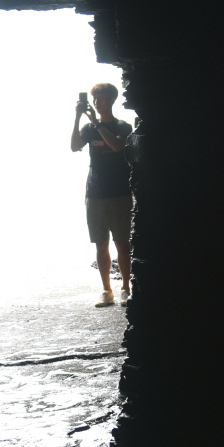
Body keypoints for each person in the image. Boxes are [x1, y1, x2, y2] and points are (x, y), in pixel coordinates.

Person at [70, 82, 133, 307]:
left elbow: (117, 146)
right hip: (95, 193)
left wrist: (97, 123)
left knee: (122, 243)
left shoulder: (122, 126)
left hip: (119, 192)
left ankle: (126, 288)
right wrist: (78, 118)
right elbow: (74, 146)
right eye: (95, 99)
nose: (97, 103)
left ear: (112, 100)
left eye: (102, 98)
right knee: (101, 244)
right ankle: (106, 290)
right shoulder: (88, 128)